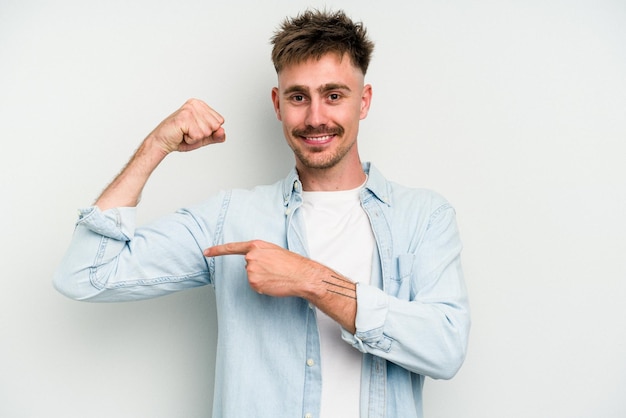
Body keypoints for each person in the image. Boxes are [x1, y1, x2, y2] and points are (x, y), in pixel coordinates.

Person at [54, 9, 470, 418]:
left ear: (364, 102)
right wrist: (155, 146)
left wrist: (312, 281)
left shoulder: (423, 217)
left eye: (334, 95)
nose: (315, 117)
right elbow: (87, 274)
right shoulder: (230, 218)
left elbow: (446, 348)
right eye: (298, 97)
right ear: (277, 103)